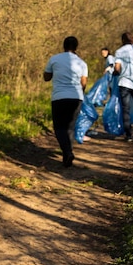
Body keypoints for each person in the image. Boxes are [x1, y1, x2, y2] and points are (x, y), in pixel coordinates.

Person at [43, 36, 88, 167]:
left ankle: (67, 152)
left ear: (63, 46)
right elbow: (83, 83)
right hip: (76, 97)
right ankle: (67, 153)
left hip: (59, 97)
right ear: (76, 47)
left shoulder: (54, 59)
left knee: (59, 127)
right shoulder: (81, 63)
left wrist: (54, 73)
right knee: (70, 127)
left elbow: (46, 77)